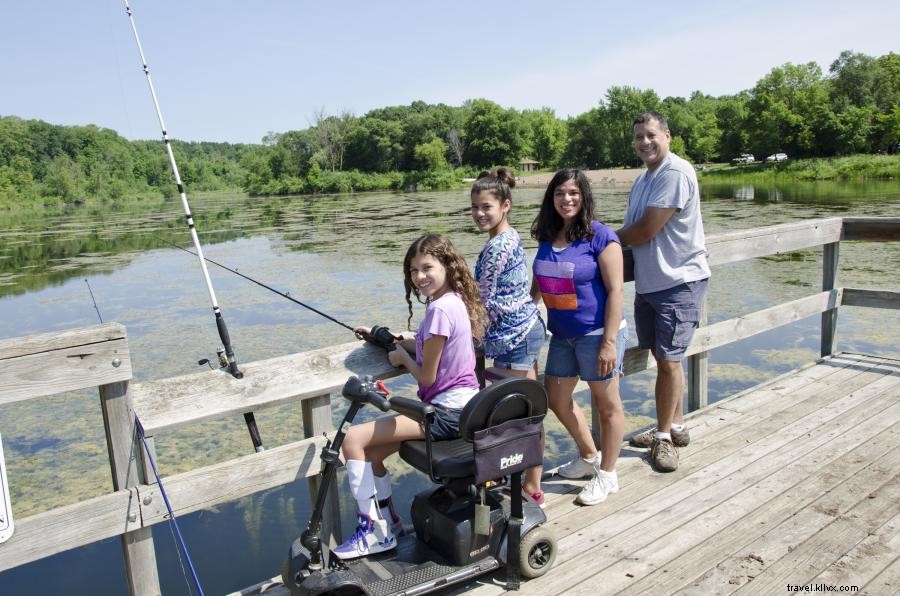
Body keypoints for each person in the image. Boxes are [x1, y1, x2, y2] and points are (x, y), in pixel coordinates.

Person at [339, 234, 487, 559]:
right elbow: (430, 346)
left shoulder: (438, 311)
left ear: (446, 266)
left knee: (352, 440)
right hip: (465, 409)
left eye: (426, 267)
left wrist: (401, 359)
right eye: (413, 270)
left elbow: (427, 376)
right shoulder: (453, 301)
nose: (419, 276)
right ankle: (388, 524)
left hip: (444, 415)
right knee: (372, 454)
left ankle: (370, 533)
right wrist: (388, 340)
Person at [615, 111, 711, 473]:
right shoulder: (644, 179)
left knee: (669, 360)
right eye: (639, 137)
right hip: (652, 282)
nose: (645, 142)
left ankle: (664, 439)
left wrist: (597, 239)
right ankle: (675, 425)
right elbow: (633, 229)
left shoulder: (674, 172)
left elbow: (645, 231)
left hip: (679, 281)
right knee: (664, 355)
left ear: (667, 135)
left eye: (651, 135)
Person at [530, 168, 628, 506]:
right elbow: (539, 286)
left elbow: (616, 290)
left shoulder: (601, 236)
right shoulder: (548, 234)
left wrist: (609, 342)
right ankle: (589, 456)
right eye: (560, 193)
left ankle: (609, 474)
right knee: (556, 399)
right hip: (562, 334)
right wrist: (522, 311)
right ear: (551, 198)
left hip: (597, 333)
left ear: (584, 196)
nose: (566, 199)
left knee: (606, 403)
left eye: (573, 192)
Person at [470, 167, 547, 506]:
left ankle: (528, 485)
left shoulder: (496, 248)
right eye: (474, 207)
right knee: (528, 412)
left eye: (486, 206)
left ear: (505, 205)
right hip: (521, 331)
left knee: (516, 415)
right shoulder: (509, 237)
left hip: (514, 335)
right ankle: (529, 481)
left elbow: (482, 300)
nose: (479, 214)